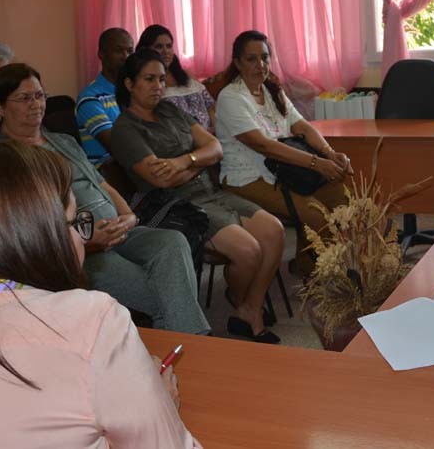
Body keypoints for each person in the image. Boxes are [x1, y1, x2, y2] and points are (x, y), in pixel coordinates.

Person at [0, 141, 200, 447]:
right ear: (37, 236)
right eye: (74, 223)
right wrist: (162, 405)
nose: (82, 238)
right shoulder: (94, 322)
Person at [0, 63, 211, 336]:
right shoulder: (3, 159)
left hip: (119, 228)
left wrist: (128, 216)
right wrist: (86, 240)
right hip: (80, 249)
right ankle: (194, 338)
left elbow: (102, 184)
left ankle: (183, 338)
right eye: (24, 98)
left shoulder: (63, 141)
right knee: (163, 294)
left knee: (172, 241)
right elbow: (28, 225)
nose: (35, 104)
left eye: (39, 95)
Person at [110, 50, 283, 344]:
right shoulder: (125, 129)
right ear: (129, 84)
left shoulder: (170, 110)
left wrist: (183, 161)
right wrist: (200, 161)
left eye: (161, 79)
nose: (158, 87)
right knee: (249, 251)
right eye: (149, 79)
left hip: (211, 191)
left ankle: (249, 309)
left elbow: (215, 147)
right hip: (181, 206)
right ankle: (245, 309)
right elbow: (160, 179)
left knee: (275, 231)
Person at [214, 30, 352, 276]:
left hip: (286, 171)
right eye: (251, 59)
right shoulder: (230, 97)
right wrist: (316, 163)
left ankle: (307, 263)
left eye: (265, 57)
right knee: (316, 216)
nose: (260, 65)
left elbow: (302, 127)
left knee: (342, 198)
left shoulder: (271, 90)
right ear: (237, 63)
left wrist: (329, 153)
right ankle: (319, 277)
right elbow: (263, 145)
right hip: (247, 179)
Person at [137, 24, 217, 132]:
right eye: (159, 47)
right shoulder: (146, 82)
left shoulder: (186, 75)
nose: (166, 51)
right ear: (146, 50)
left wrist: (213, 132)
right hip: (178, 138)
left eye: (169, 46)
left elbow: (210, 106)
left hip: (210, 135)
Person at [76, 27, 134, 164]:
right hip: (110, 173)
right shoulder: (90, 98)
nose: (126, 57)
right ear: (101, 54)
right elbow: (118, 147)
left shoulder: (134, 92)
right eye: (118, 50)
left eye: (130, 51)